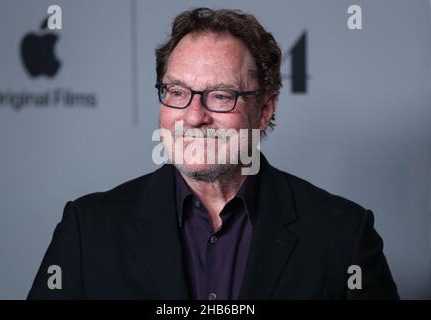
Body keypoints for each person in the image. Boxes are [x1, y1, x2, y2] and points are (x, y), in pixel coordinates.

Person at [28, 7, 399, 300]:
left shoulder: (342, 236)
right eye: (177, 92)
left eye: (221, 95)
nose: (193, 116)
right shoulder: (88, 229)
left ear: (265, 108)